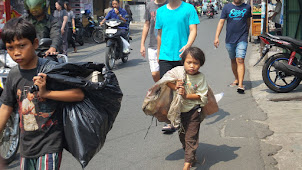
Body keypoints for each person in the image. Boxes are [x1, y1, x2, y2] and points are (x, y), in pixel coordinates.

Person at [0, 17, 84, 170]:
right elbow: (6, 107)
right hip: (26, 147)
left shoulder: (50, 69)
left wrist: (47, 93)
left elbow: (78, 94)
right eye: (10, 48)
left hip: (50, 144)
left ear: (35, 44)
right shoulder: (13, 74)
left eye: (22, 46)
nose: (16, 52)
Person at [155, 0, 200, 132]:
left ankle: (185, 115)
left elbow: (193, 30)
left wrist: (188, 45)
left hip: (183, 55)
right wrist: (158, 53)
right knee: (167, 85)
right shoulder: (160, 11)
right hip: (165, 55)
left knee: (185, 86)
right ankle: (171, 118)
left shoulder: (189, 9)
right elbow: (159, 34)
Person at [166, 47, 208, 170]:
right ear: (183, 62)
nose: (192, 66)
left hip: (194, 111)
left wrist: (186, 95)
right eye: (189, 62)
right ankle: (191, 156)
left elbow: (202, 95)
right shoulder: (178, 73)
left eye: (196, 63)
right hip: (179, 111)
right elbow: (165, 81)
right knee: (183, 137)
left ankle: (187, 165)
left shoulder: (201, 78)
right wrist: (175, 86)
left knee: (191, 137)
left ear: (200, 64)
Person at [214, 0, 251, 94]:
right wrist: (216, 37)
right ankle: (236, 79)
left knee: (240, 59)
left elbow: (248, 21)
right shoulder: (227, 7)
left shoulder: (247, 7)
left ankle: (240, 85)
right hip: (230, 39)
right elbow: (221, 22)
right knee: (233, 60)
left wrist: (246, 34)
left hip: (242, 38)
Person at [140, 0, 167, 82]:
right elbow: (146, 24)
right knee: (155, 74)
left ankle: (163, 91)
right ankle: (161, 89)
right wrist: (142, 44)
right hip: (153, 45)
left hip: (166, 45)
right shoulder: (149, 5)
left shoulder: (169, 4)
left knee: (166, 73)